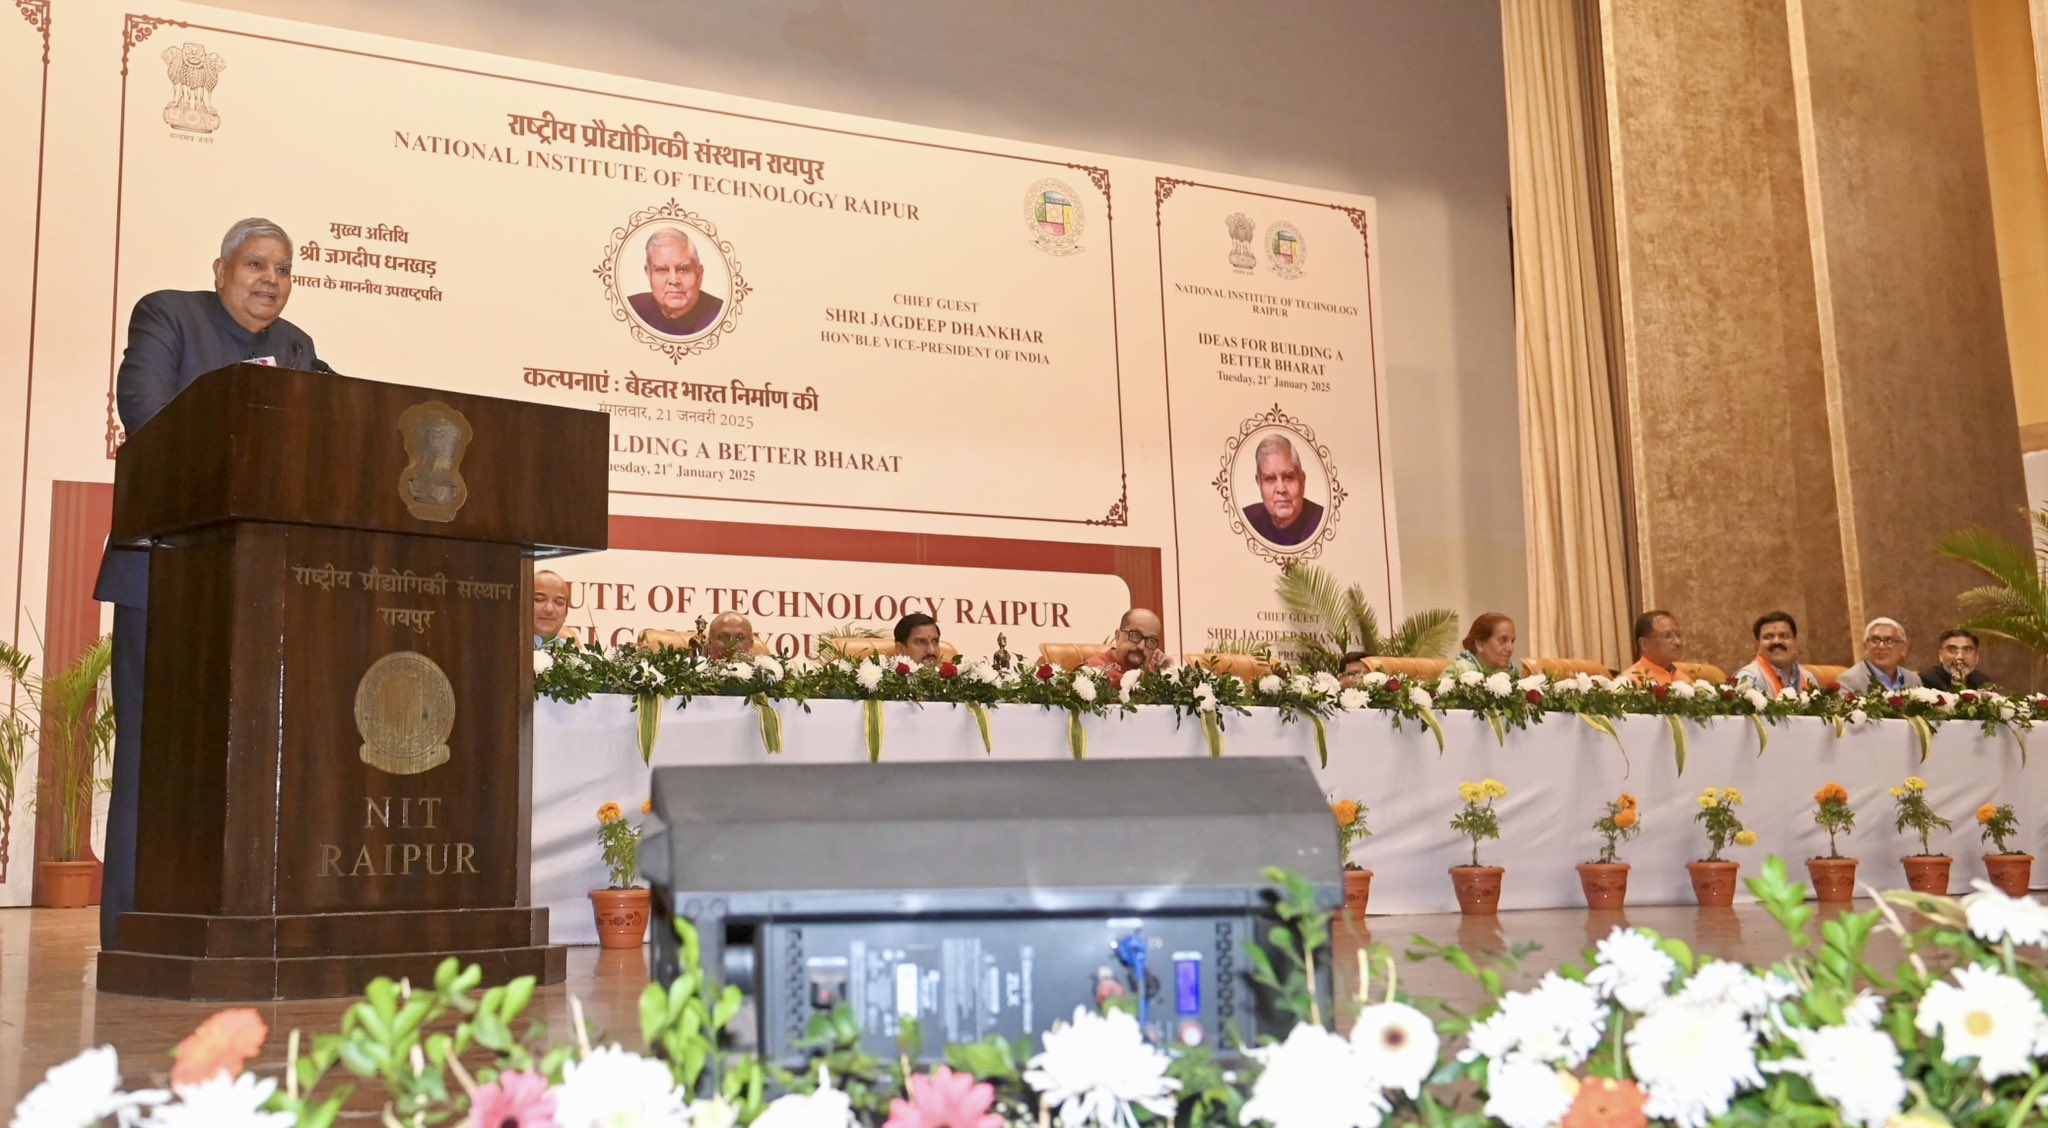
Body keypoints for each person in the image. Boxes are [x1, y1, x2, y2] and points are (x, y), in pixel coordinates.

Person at [92, 216, 322, 946]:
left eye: (283, 269)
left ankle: (233, 926)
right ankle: (133, 927)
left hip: (255, 591)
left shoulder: (295, 349)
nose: (270, 280)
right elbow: (148, 417)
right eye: (255, 264)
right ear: (220, 270)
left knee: (248, 760)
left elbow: (339, 427)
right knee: (152, 758)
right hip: (166, 576)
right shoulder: (169, 314)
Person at [627, 227, 724, 338]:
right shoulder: (631, 310)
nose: (673, 281)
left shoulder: (721, 317)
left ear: (699, 275)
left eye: (683, 270)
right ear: (649, 274)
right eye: (661, 270)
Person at [1240, 435, 1324, 547]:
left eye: (1289, 477)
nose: (1281, 489)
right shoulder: (1246, 521)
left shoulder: (1321, 522)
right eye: (1270, 479)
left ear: (1302, 481)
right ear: (1259, 483)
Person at [1735, 611, 1818, 695]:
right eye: (1768, 636)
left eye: (1784, 636)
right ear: (1757, 646)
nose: (1777, 641)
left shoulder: (1808, 678)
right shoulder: (1749, 679)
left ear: (1796, 643)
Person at [1835, 617, 1923, 694]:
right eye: (1875, 640)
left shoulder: (1913, 679)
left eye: (1890, 641)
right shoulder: (1849, 680)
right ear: (1865, 647)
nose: (1881, 646)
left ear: (1904, 648)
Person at [1620, 610, 1694, 686]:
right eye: (1667, 636)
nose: (1678, 642)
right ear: (1644, 644)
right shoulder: (1629, 683)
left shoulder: (1685, 680)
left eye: (1678, 635)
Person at [1083, 609, 1168, 674]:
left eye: (1151, 641)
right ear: (1118, 636)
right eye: (1135, 635)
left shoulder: (1153, 674)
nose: (1141, 647)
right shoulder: (1093, 671)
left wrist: (1167, 671)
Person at [1447, 613, 1522, 678]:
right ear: (1480, 645)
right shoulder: (1460, 673)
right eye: (1503, 640)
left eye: (1512, 641)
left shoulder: (1511, 672)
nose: (1510, 648)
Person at [1921, 628, 1993, 692]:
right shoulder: (1927, 680)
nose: (1960, 656)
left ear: (1977, 656)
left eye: (1967, 650)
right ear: (1941, 655)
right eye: (1952, 650)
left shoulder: (1983, 683)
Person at [533, 570, 569, 646]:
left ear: (566, 613)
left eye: (559, 602)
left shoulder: (575, 656)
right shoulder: (504, 650)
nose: (549, 609)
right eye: (539, 599)